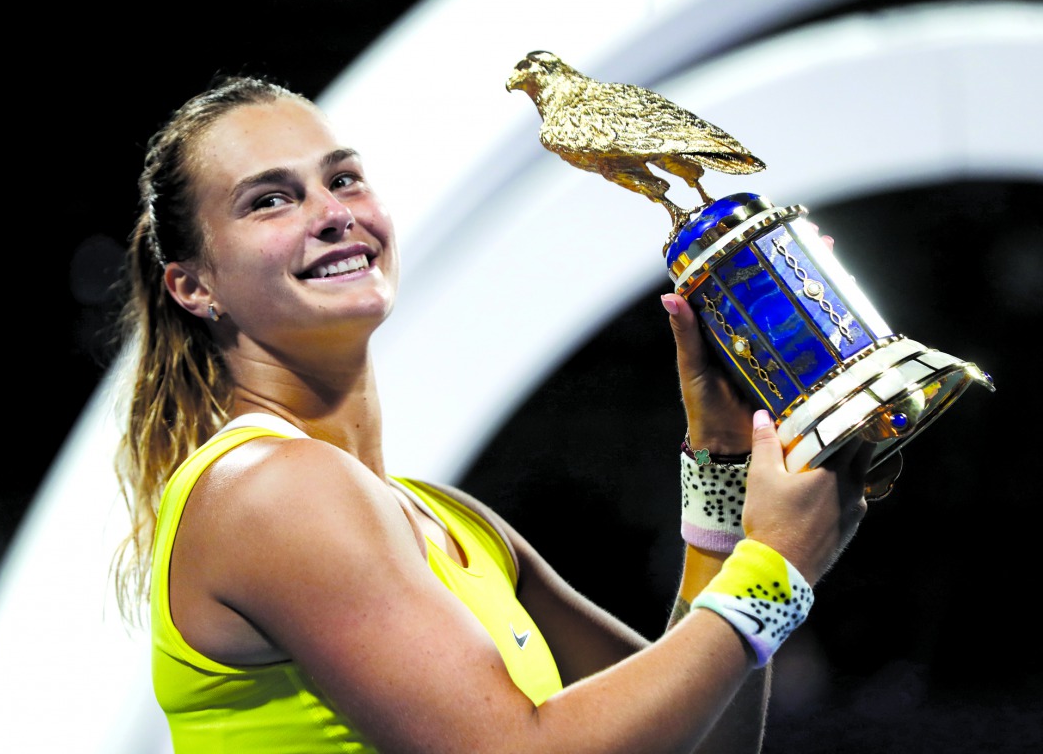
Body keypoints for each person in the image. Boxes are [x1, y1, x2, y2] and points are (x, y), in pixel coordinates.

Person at [110, 73, 884, 753]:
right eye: (270, 200)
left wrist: (721, 481)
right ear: (193, 287)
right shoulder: (270, 488)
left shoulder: (450, 521)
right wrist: (775, 568)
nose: (331, 213)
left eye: (343, 180)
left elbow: (696, 738)